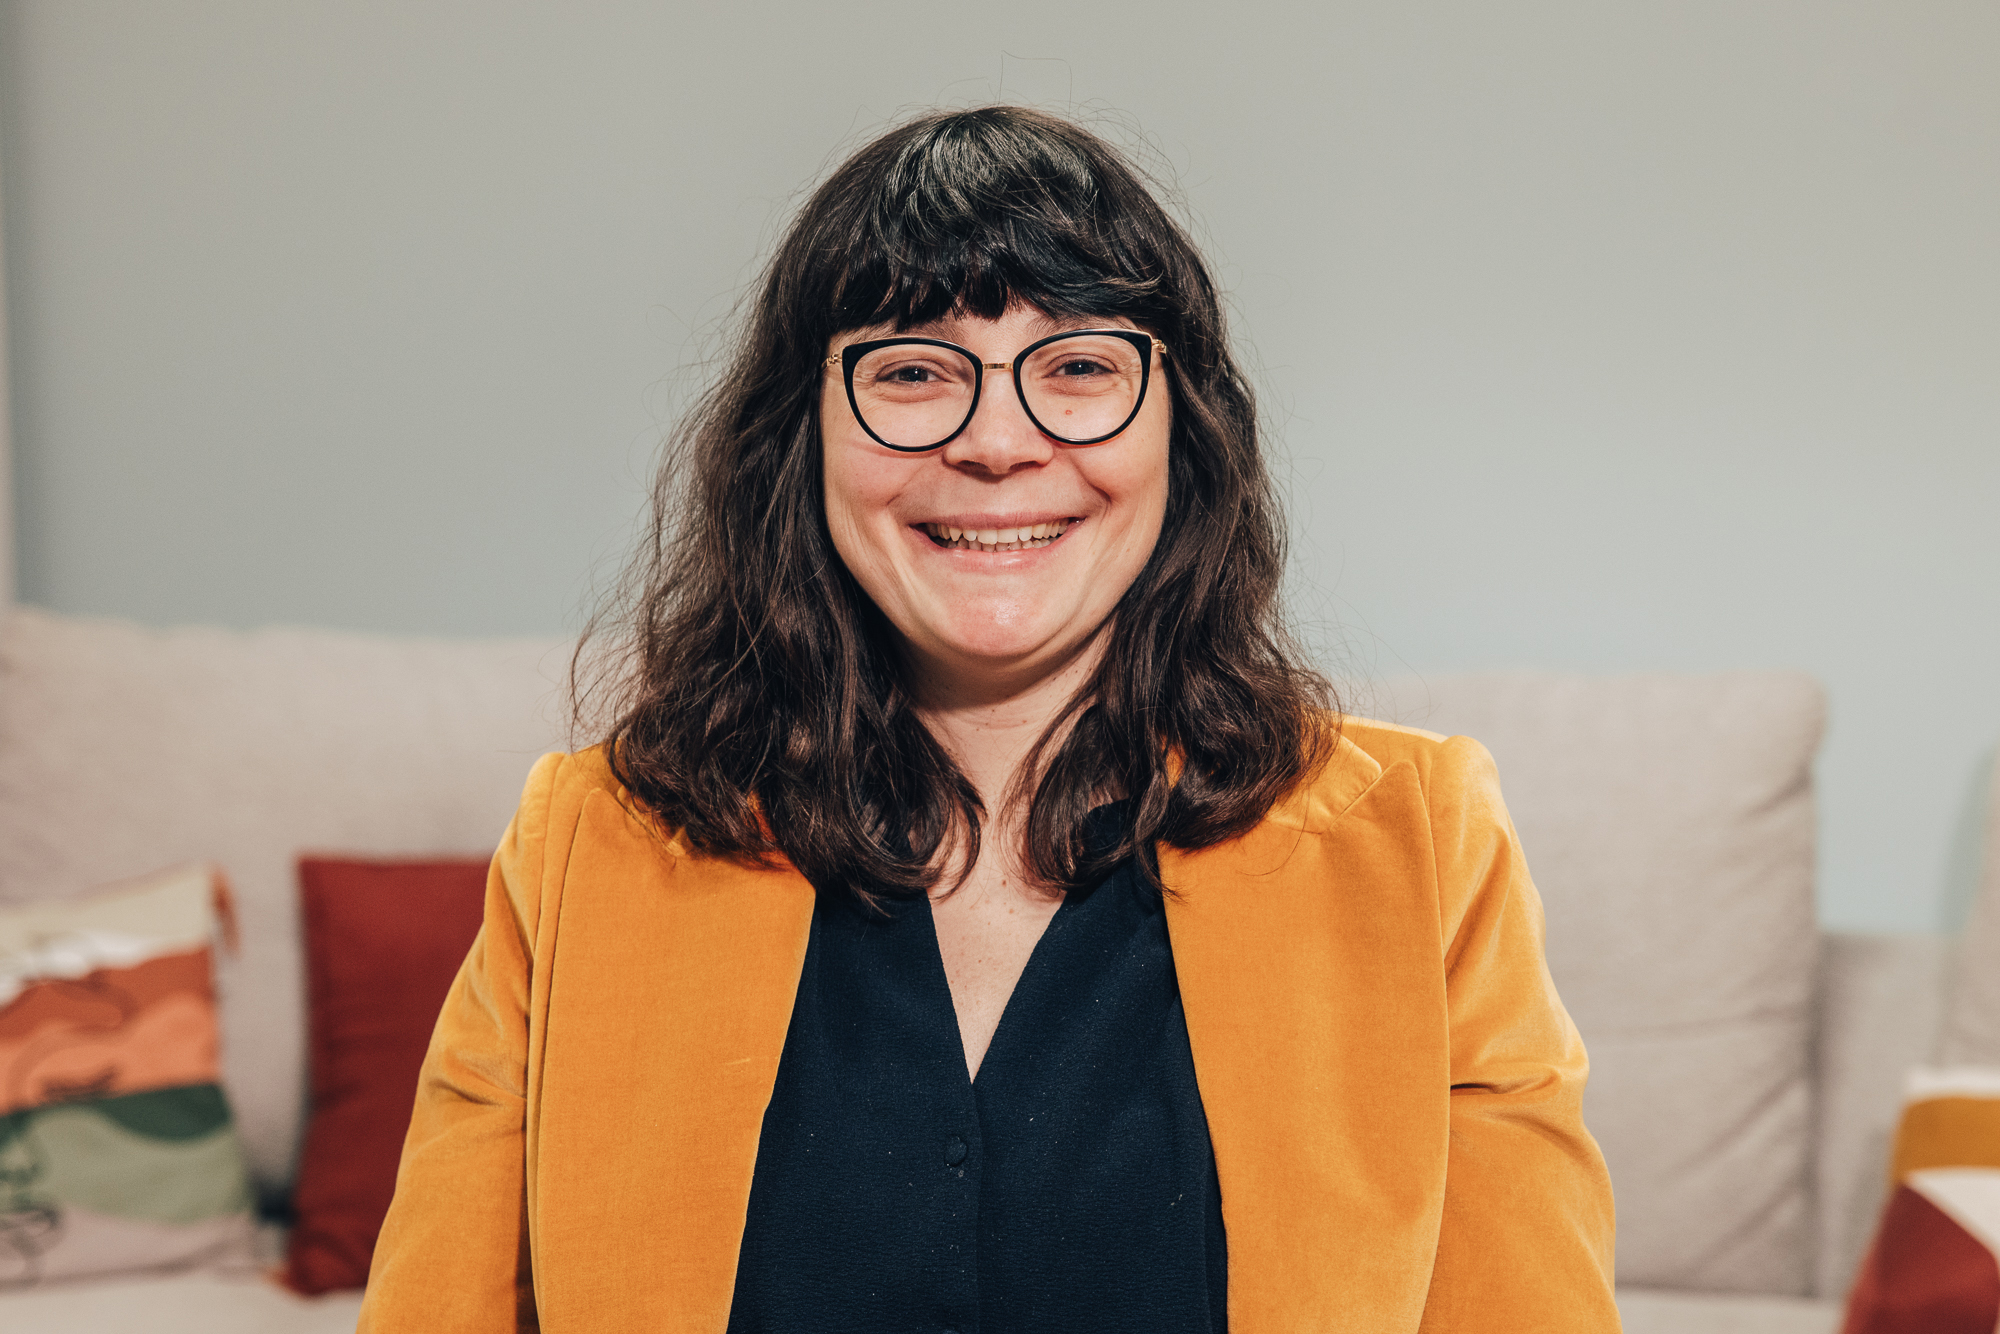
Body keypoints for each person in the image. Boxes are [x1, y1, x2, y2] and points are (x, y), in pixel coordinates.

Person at [357, 106, 1618, 1333]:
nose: (998, 441)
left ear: (1187, 430)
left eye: (1077, 368)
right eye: (912, 371)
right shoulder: (583, 846)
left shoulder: (1423, 847)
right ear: (803, 436)